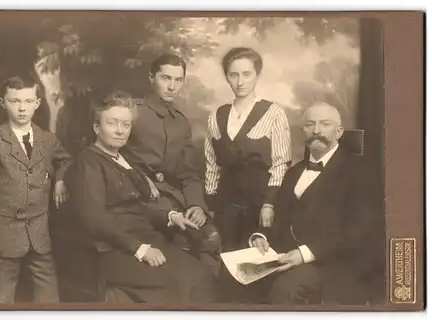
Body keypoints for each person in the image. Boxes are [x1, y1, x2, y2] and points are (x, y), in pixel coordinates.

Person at [65, 91, 218, 303]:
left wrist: (170, 216)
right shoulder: (88, 162)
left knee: (200, 273)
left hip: (145, 238)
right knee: (179, 281)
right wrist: (139, 249)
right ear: (96, 128)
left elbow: (137, 206)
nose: (120, 131)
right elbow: (94, 218)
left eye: (126, 125)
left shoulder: (123, 160)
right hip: (112, 250)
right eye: (112, 123)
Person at [248, 102, 379, 305]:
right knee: (238, 279)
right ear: (302, 131)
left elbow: (357, 231)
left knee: (285, 290)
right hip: (286, 257)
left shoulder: (359, 172)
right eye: (310, 125)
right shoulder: (294, 172)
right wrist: (261, 235)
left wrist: (304, 254)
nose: (316, 131)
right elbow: (281, 217)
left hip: (334, 262)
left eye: (325, 124)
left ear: (339, 132)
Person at [0, 75, 72, 303]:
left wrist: (60, 181)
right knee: (0, 299)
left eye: (27, 101)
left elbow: (66, 160)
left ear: (37, 103)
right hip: (3, 237)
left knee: (49, 299)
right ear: (3, 103)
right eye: (15, 101)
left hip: (39, 234)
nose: (22, 108)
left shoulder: (46, 139)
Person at [121, 53, 221, 275]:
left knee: (210, 242)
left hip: (173, 198)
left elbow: (188, 173)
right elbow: (109, 157)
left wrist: (196, 205)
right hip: (136, 197)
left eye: (178, 80)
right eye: (165, 78)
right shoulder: (132, 112)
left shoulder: (180, 123)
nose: (171, 86)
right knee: (181, 249)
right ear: (151, 78)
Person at [205, 47, 292, 252]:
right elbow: (212, 166)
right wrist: (211, 204)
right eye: (233, 75)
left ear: (257, 75)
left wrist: (269, 204)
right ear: (226, 77)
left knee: (256, 263)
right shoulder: (216, 116)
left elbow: (281, 164)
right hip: (225, 208)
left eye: (246, 74)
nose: (240, 82)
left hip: (261, 208)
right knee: (225, 261)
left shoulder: (273, 113)